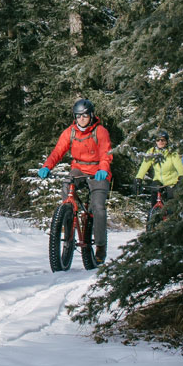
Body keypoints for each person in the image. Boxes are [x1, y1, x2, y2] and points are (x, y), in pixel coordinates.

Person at [37, 98, 113, 259]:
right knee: (66, 186)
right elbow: (58, 152)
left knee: (98, 207)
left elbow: (106, 153)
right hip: (78, 168)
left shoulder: (100, 131)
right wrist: (46, 166)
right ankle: (69, 217)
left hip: (98, 170)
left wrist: (103, 169)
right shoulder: (70, 132)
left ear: (91, 115)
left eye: (85, 115)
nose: (82, 119)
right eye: (78, 116)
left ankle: (100, 245)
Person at [136, 130, 183, 207]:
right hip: (158, 180)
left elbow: (179, 166)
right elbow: (144, 166)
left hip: (171, 182)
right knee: (154, 196)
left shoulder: (172, 153)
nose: (160, 142)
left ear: (166, 141)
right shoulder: (152, 152)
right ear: (155, 141)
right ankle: (153, 214)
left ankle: (171, 217)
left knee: (171, 204)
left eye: (163, 140)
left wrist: (182, 176)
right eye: (158, 140)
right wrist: (139, 178)